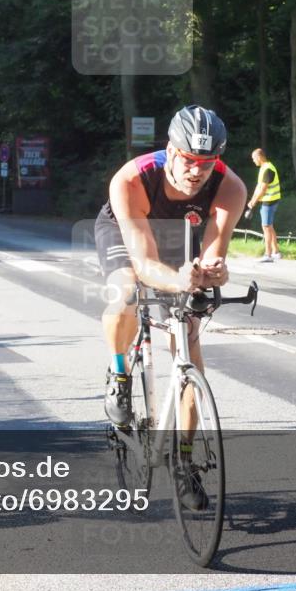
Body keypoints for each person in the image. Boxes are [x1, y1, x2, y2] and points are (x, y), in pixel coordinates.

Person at [94, 105, 246, 509]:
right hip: (131, 230)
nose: (197, 171)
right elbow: (144, 263)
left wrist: (211, 272)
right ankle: (119, 372)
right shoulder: (132, 179)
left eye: (207, 162)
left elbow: (214, 252)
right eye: (189, 160)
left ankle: (183, 460)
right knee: (125, 288)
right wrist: (175, 278)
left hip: (181, 231)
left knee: (189, 346)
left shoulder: (230, 188)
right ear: (170, 151)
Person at [247, 148, 281, 262]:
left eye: (254, 158)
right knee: (269, 226)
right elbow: (259, 186)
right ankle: (276, 252)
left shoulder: (267, 169)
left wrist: (254, 201)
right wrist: (252, 200)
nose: (253, 161)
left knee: (266, 227)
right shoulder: (264, 168)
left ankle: (268, 254)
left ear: (260, 157)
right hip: (270, 200)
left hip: (269, 200)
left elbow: (262, 189)